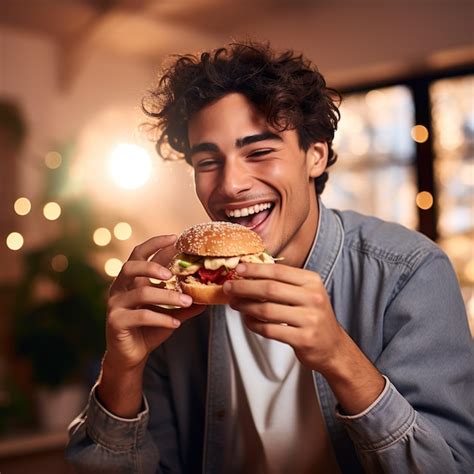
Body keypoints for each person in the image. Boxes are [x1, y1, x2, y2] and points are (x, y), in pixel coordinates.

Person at [66, 42, 474, 473]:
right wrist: (121, 370)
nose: (231, 185)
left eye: (259, 152)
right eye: (207, 161)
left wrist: (339, 355)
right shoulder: (171, 297)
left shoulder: (409, 274)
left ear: (314, 155)